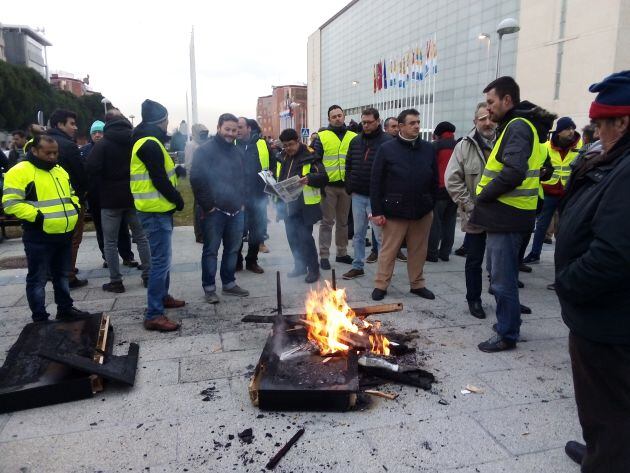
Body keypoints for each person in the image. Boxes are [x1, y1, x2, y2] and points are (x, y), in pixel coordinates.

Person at [555, 70, 630, 472]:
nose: (596, 134)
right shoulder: (613, 159)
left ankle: (606, 461)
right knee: (605, 408)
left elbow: (614, 254)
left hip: (608, 322)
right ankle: (600, 449)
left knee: (609, 407)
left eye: (602, 124)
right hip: (603, 316)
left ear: (624, 121)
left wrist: (568, 284)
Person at [471, 76, 555, 352]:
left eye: (491, 102)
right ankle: (508, 322)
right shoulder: (519, 125)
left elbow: (514, 171)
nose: (488, 108)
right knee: (500, 275)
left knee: (501, 279)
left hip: (507, 216)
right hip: (511, 215)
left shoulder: (517, 126)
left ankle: (507, 333)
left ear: (508, 100)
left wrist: (483, 194)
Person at [2, 135, 88, 322]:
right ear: (34, 150)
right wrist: (38, 217)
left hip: (63, 234)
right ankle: (40, 317)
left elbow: (71, 194)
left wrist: (74, 208)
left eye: (55, 153)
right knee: (38, 279)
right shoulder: (19, 171)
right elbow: (10, 204)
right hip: (39, 235)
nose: (52, 157)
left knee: (62, 276)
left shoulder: (59, 171)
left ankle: (65, 308)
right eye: (48, 153)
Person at [370, 108, 437, 301]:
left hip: (422, 211)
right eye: (412, 123)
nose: (417, 126)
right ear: (400, 126)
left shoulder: (428, 148)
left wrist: (430, 203)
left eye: (418, 122)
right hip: (394, 211)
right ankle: (381, 285)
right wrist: (377, 211)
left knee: (418, 250)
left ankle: (417, 284)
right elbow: (376, 182)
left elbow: (434, 179)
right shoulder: (387, 149)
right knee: (388, 251)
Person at [131, 99, 185, 332]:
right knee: (160, 262)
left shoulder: (148, 141)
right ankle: (154, 313)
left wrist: (179, 171)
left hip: (158, 209)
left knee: (162, 260)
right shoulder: (149, 143)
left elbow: (162, 171)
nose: (167, 124)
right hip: (155, 211)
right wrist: (177, 198)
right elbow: (158, 179)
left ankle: (162, 297)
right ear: (160, 120)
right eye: (166, 120)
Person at [87, 111, 151, 293]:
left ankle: (116, 281)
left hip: (110, 199)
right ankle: (148, 275)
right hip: (133, 196)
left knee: (110, 242)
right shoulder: (134, 141)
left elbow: (90, 167)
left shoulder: (103, 144)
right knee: (141, 237)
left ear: (107, 125)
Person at [190, 113, 249, 304]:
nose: (231, 134)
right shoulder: (204, 151)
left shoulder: (238, 151)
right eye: (227, 129)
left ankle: (229, 283)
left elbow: (242, 179)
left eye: (234, 130)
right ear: (218, 128)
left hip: (236, 211)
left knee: (233, 250)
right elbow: (197, 180)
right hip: (214, 212)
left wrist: (242, 202)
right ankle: (209, 288)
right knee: (211, 251)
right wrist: (209, 207)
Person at [445, 103, 496, 319]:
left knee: (505, 260)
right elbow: (452, 179)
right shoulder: (464, 146)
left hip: (503, 215)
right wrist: (469, 205)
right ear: (475, 122)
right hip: (475, 214)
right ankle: (473, 299)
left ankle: (506, 298)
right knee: (474, 259)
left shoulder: (505, 142)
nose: (487, 122)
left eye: (490, 118)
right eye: (482, 118)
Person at [523, 117, 582, 264]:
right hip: (549, 190)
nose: (571, 132)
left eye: (573, 128)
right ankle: (535, 254)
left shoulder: (579, 145)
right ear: (559, 132)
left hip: (568, 192)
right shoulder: (548, 145)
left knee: (564, 228)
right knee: (541, 226)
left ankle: (562, 259)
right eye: (568, 129)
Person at [342, 108, 390, 280]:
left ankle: (383, 270)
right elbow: (348, 164)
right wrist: (350, 185)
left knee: (380, 236)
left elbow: (391, 169)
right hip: (358, 195)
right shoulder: (355, 141)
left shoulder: (387, 141)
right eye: (364, 122)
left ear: (378, 121)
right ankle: (357, 266)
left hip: (377, 197)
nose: (366, 125)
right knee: (358, 233)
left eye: (369, 122)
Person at [84, 119, 138, 270]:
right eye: (94, 133)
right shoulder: (86, 150)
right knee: (103, 231)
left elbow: (91, 168)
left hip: (111, 196)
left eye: (100, 132)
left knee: (120, 231)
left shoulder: (108, 146)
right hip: (99, 197)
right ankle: (108, 258)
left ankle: (125, 258)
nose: (97, 135)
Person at [276, 128, 328, 283]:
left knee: (305, 239)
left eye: (290, 144)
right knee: (292, 238)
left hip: (304, 207)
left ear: (298, 141)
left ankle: (313, 269)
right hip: (287, 205)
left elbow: (324, 177)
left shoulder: (310, 156)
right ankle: (299, 266)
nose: (288, 148)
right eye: (285, 146)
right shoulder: (282, 156)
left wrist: (309, 178)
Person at [47, 109, 89, 289]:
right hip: (70, 201)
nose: (75, 127)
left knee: (53, 239)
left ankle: (54, 270)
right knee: (73, 239)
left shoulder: (41, 142)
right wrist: (83, 193)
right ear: (59, 125)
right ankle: (69, 275)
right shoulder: (68, 146)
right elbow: (80, 175)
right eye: (71, 123)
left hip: (45, 201)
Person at [311, 105, 357, 270]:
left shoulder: (353, 136)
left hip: (346, 186)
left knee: (343, 222)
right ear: (329, 119)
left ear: (343, 116)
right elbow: (315, 160)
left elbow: (356, 160)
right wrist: (321, 181)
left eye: (339, 115)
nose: (337, 118)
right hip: (328, 187)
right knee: (327, 222)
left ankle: (342, 253)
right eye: (334, 116)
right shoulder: (322, 136)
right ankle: (324, 255)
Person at [235, 117, 274, 273]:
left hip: (258, 196)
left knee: (256, 232)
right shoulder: (232, 145)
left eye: (240, 127)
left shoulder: (261, 144)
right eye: (236, 127)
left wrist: (271, 182)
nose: (237, 130)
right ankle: (236, 261)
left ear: (249, 128)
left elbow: (271, 165)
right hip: (237, 198)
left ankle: (252, 261)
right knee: (237, 232)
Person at [427, 121, 458, 262]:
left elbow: (430, 168)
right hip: (455, 190)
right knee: (450, 222)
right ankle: (445, 253)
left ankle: (432, 253)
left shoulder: (435, 147)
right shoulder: (459, 145)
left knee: (436, 223)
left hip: (439, 189)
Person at [184, 123, 210, 243]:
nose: (204, 136)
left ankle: (205, 231)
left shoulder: (205, 144)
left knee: (205, 206)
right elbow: (189, 164)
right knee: (198, 208)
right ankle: (199, 234)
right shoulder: (191, 145)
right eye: (202, 133)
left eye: (206, 133)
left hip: (207, 180)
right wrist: (193, 181)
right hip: (197, 180)